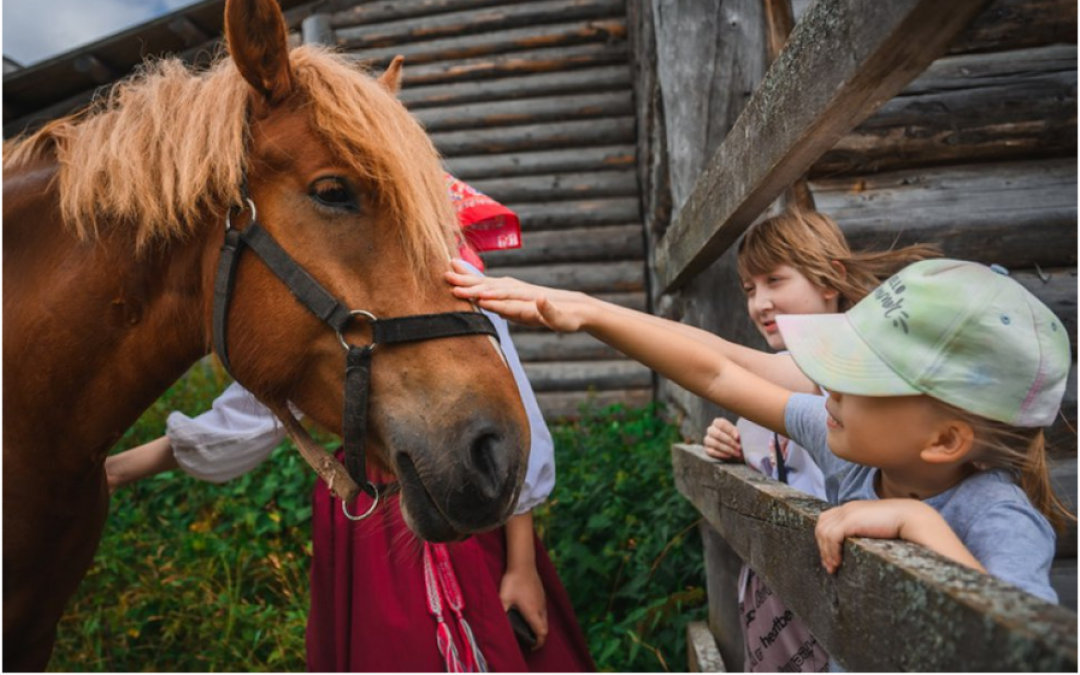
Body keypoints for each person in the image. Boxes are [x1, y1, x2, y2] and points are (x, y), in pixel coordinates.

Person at [446, 258, 1074, 671]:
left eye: (855, 379)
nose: (827, 388)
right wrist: (587, 311)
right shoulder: (849, 444)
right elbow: (719, 370)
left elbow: (1022, 657)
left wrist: (918, 524)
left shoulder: (999, 519)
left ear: (944, 440)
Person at [107, 175, 596, 674]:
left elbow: (507, 428)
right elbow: (242, 422)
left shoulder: (457, 284)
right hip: (370, 524)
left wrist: (522, 567)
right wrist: (111, 472)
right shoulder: (348, 300)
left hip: (462, 504)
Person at [700, 210, 938, 674]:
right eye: (749, 289)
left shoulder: (848, 370)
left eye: (774, 280)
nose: (760, 303)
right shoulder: (778, 376)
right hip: (779, 597)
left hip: (836, 596)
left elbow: (717, 369)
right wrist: (735, 448)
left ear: (830, 279)